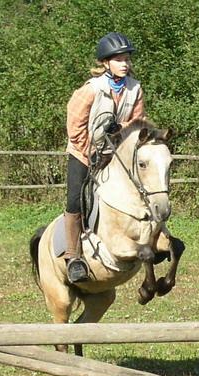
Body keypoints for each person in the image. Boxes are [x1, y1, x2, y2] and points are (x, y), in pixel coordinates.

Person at [64, 32, 146, 283]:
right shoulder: (91, 89)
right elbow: (75, 126)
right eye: (119, 59)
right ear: (105, 63)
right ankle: (73, 257)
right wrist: (90, 151)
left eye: (127, 59)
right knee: (75, 200)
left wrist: (120, 130)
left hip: (116, 152)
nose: (125, 64)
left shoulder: (135, 89)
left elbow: (137, 122)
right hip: (83, 152)